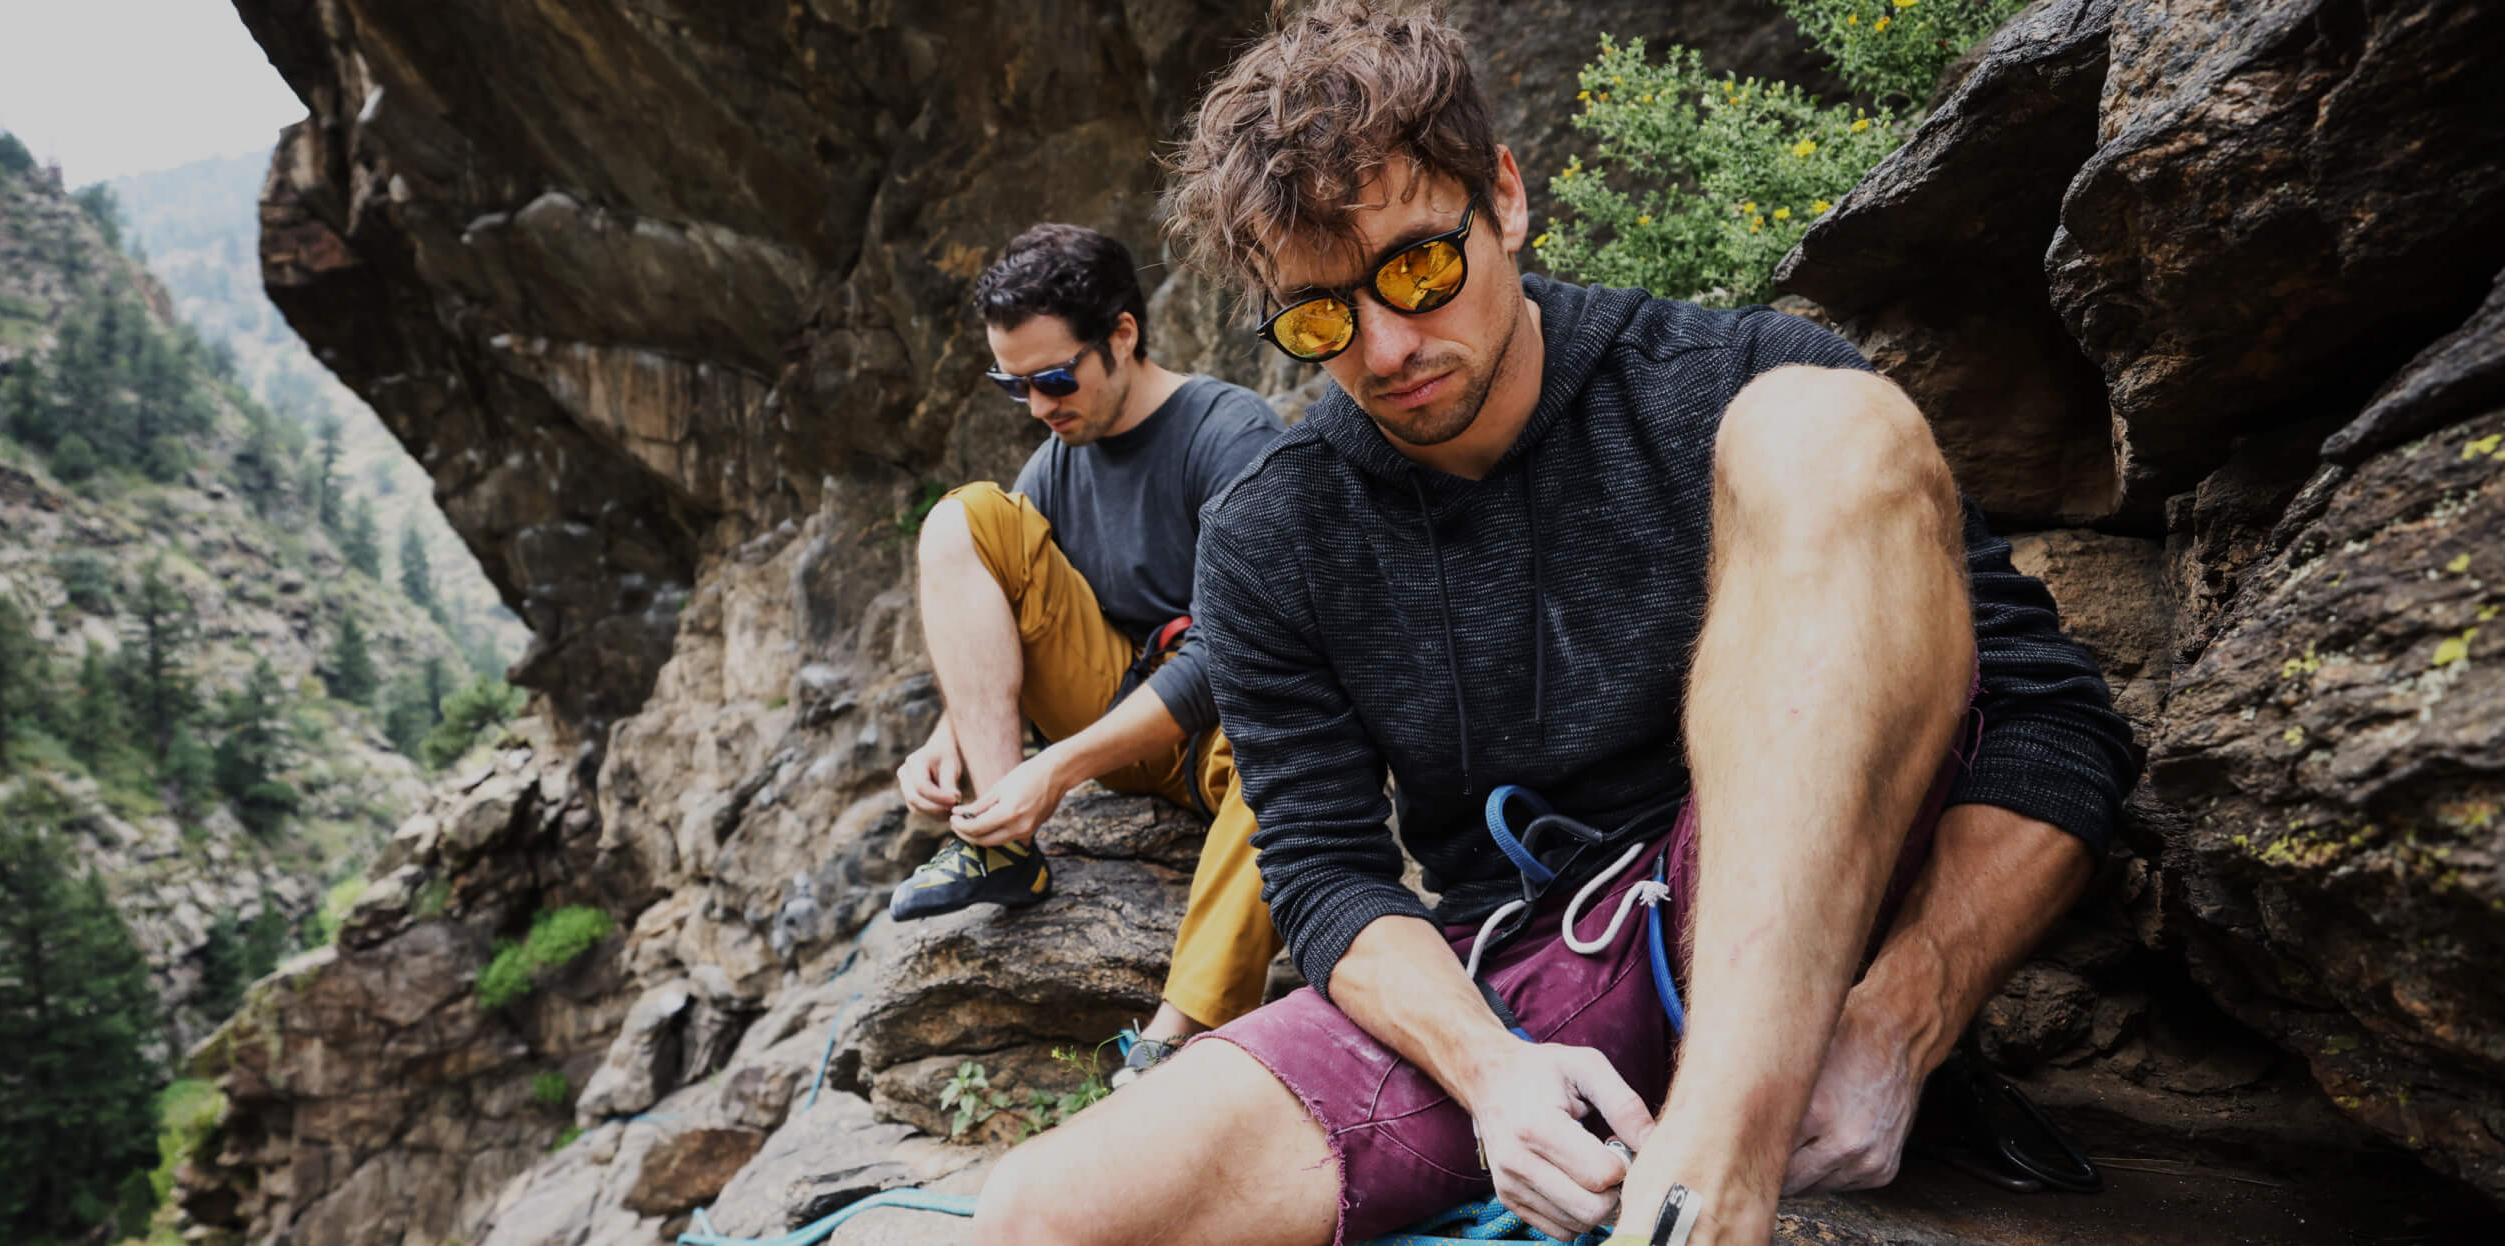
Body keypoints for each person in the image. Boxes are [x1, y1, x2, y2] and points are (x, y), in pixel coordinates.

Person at [971, 5, 2136, 1245]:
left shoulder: (1731, 381)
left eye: (1417, 266)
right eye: (1319, 318)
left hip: (1795, 907)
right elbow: (1324, 870)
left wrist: (1901, 1021)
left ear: (1506, 198)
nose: (1387, 345)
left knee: (1829, 425)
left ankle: (1709, 1188)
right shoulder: (1271, 529)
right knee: (1034, 1214)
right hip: (1521, 971)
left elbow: (2052, 723)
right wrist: (1492, 1074)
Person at [889, 223, 1286, 1078]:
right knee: (963, 517)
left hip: (1227, 730)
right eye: (1014, 385)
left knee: (1292, 747)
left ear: (1123, 335)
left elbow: (1231, 655)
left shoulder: (1230, 434)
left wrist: (1060, 769)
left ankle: (1177, 1039)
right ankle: (1001, 844)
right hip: (1113, 716)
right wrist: (948, 738)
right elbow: (1000, 611)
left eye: (1055, 379)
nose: (1038, 407)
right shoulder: (1056, 464)